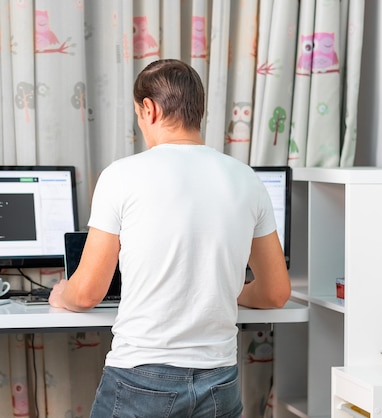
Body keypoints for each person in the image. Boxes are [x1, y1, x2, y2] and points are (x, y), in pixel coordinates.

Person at [48, 59, 291, 417]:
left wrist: (61, 294)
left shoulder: (121, 176)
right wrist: (225, 292)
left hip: (141, 379)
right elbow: (275, 292)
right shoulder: (247, 180)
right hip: (220, 381)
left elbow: (86, 293)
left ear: (149, 108)